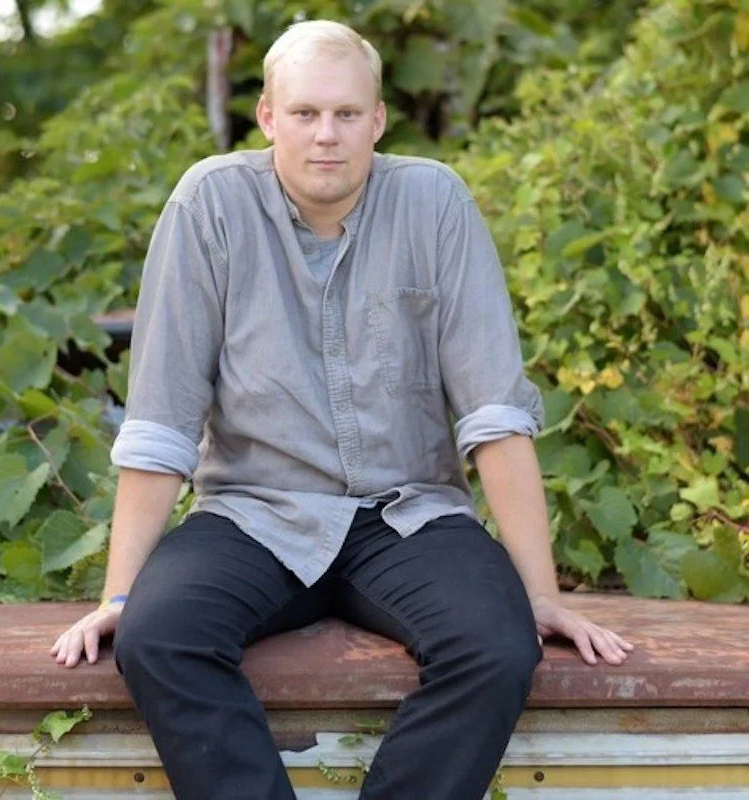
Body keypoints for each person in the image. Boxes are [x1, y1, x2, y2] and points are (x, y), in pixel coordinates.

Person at [50, 20, 633, 800]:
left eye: (347, 114)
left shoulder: (434, 202)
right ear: (268, 117)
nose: (326, 134)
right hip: (254, 514)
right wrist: (120, 596)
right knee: (158, 638)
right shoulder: (211, 204)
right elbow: (162, 420)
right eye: (305, 113)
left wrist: (540, 594)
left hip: (408, 516)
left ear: (377, 120)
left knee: (497, 648)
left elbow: (494, 414)